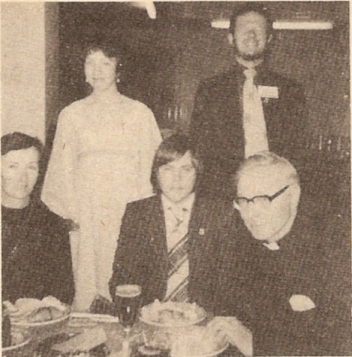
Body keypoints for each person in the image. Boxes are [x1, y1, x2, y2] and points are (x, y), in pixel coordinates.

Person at [41, 41, 162, 311]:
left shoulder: (140, 113)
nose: (97, 70)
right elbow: (61, 169)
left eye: (105, 63)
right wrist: (71, 213)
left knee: (126, 278)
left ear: (118, 68)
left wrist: (143, 215)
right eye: (90, 63)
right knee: (87, 282)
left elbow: (153, 168)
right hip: (87, 211)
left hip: (127, 208)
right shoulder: (70, 114)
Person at [211, 151, 351, 356]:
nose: (251, 213)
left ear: (293, 196)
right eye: (243, 200)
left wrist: (256, 346)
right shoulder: (239, 241)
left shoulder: (336, 247)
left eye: (263, 199)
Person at [190, 3, 306, 199]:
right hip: (224, 193)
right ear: (230, 38)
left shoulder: (291, 91)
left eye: (258, 30)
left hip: (276, 192)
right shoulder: (209, 90)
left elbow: (299, 149)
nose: (251, 35)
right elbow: (199, 148)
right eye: (244, 29)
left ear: (269, 38)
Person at [109, 134, 236, 312]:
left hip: (204, 320)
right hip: (152, 318)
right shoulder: (138, 213)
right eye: (168, 169)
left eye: (186, 169)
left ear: (198, 172)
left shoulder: (219, 213)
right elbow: (122, 278)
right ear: (156, 173)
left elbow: (231, 282)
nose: (177, 179)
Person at [2, 132, 75, 304]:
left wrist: (42, 308)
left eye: (31, 167)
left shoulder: (52, 224)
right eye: (13, 166)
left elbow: (65, 291)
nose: (23, 177)